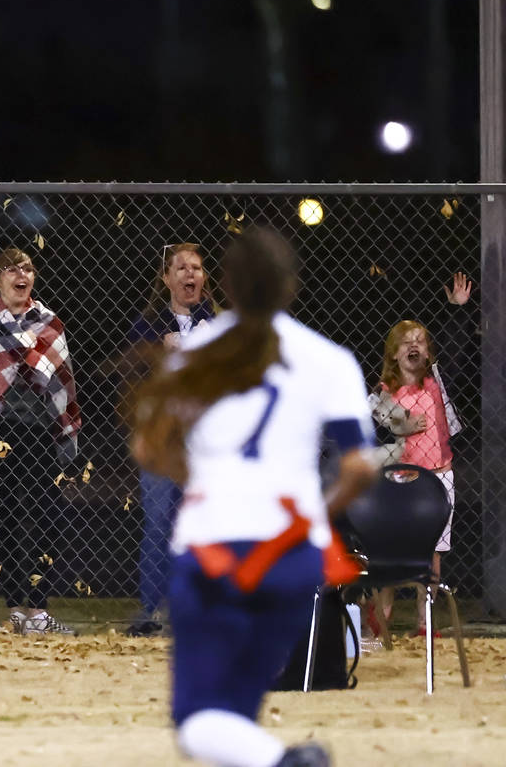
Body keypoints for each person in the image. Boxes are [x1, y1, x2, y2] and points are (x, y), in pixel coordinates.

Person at [129, 227, 376, 767]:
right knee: (237, 709)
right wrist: (315, 512)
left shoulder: (196, 348)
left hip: (214, 545)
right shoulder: (328, 358)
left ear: (227, 286)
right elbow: (360, 466)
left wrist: (199, 476)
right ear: (290, 287)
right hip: (291, 551)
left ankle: (290, 762)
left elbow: (149, 446)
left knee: (198, 722)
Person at [0, 247, 82, 635]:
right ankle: (15, 609)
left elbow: (62, 382)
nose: (21, 274)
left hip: (38, 434)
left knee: (49, 519)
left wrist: (65, 427)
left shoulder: (49, 323)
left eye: (27, 268)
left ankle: (40, 610)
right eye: (11, 269)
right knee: (4, 521)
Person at [366, 272, 471, 638]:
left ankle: (425, 623)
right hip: (400, 479)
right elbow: (375, 432)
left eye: (421, 342)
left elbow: (456, 352)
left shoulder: (436, 382)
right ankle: (382, 615)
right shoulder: (383, 392)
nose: (414, 346)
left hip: (439, 476)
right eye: (405, 342)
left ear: (428, 352)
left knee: (433, 552)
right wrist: (397, 425)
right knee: (393, 550)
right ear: (394, 353)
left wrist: (457, 312)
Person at [124, 242, 215, 636]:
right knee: (159, 522)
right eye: (181, 268)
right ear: (166, 278)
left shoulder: (219, 325)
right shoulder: (145, 327)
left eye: (196, 268)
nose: (189, 274)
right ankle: (153, 610)